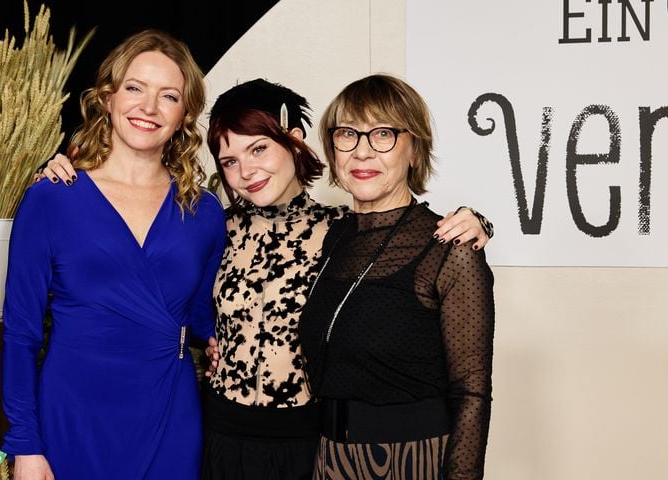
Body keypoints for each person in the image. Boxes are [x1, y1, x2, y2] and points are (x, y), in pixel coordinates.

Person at [42, 78, 492, 479]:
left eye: (259, 149)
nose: (247, 172)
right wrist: (62, 173)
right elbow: (160, 297)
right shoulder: (213, 225)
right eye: (230, 161)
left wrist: (479, 222)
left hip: (304, 444)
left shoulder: (340, 230)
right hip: (217, 432)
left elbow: (402, 239)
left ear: (295, 142)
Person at [1, 29, 226, 480]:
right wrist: (24, 442)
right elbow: (20, 332)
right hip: (73, 415)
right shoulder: (53, 197)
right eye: (135, 88)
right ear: (108, 97)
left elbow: (202, 318)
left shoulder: (204, 213)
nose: (148, 107)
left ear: (185, 115)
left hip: (170, 414)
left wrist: (227, 341)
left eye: (169, 96)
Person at [298, 74, 495, 480]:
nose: (362, 152)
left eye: (383, 134)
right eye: (347, 134)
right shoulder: (329, 237)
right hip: (327, 459)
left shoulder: (449, 248)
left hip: (412, 460)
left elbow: (471, 394)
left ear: (414, 150)